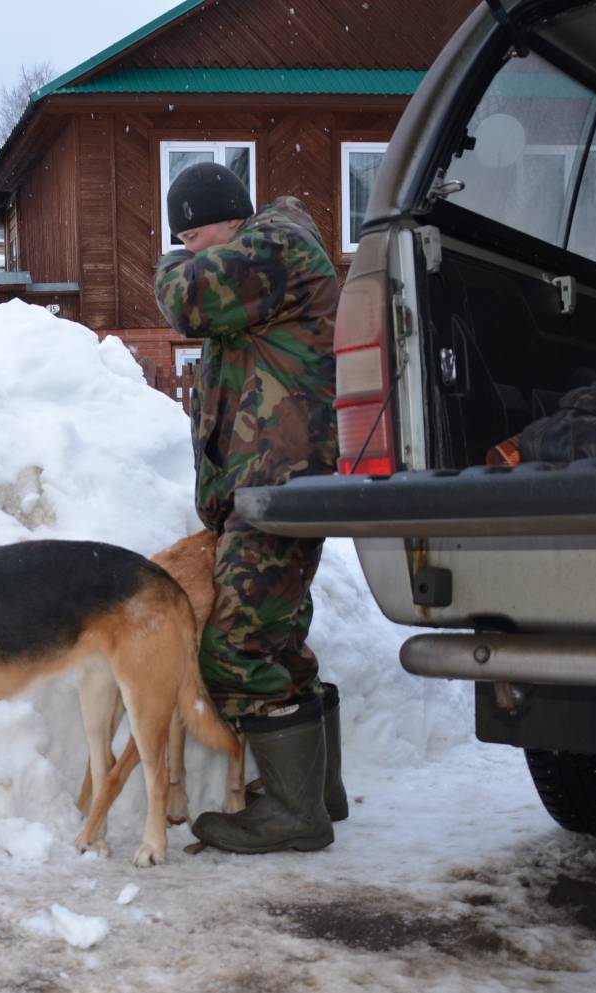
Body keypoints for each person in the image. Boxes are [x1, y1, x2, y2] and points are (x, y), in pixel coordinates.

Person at [152, 162, 348, 854]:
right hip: (275, 482)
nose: (188, 247)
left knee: (236, 647)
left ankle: (297, 815)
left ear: (230, 218)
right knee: (278, 640)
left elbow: (186, 297)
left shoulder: (274, 247)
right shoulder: (268, 259)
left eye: (194, 232)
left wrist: (170, 264)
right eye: (178, 237)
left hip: (282, 482)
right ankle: (319, 794)